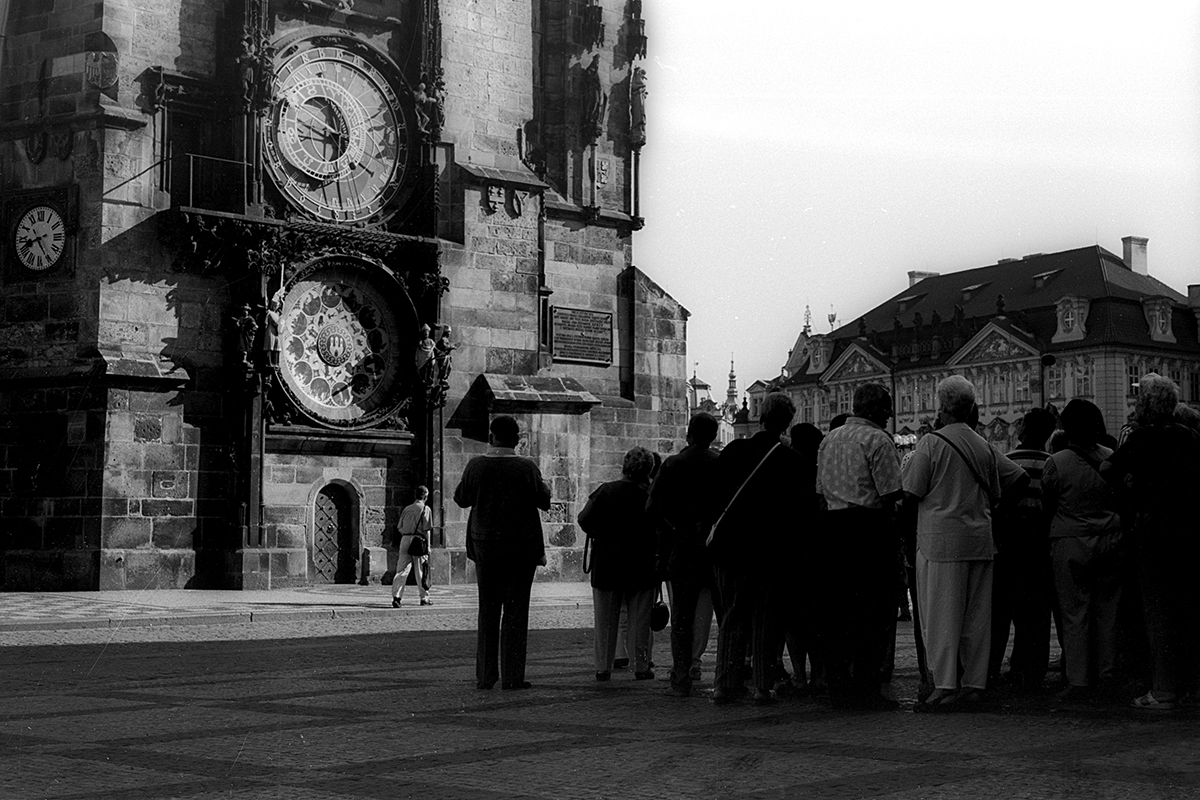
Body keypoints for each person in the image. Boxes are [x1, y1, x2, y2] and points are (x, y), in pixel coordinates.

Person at [903, 375, 1027, 710]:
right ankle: (975, 685)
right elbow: (1019, 478)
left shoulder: (931, 444)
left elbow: (911, 491)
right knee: (976, 619)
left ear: (943, 408)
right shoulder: (982, 443)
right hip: (980, 540)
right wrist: (996, 510)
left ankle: (944, 687)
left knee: (942, 617)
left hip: (940, 543)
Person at [1103, 373, 1200, 710]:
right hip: (1188, 532)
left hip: (1153, 533)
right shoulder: (1189, 435)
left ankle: (1164, 689)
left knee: (1158, 612)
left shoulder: (1142, 439)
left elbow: (1107, 469)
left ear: (1145, 404)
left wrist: (1132, 483)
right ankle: (1193, 685)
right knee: (1189, 609)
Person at [708, 392, 806, 705]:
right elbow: (799, 513)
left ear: (761, 418)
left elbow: (714, 498)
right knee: (767, 620)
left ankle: (725, 683)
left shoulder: (734, 450)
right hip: (770, 552)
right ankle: (762, 687)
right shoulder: (793, 462)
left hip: (731, 549)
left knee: (732, 617)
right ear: (787, 423)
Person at [815, 383, 904, 710]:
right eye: (888, 408)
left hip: (833, 529)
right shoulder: (878, 440)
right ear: (878, 410)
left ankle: (838, 687)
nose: (891, 414)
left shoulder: (830, 438)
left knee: (837, 613)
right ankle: (866, 689)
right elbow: (892, 491)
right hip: (869, 529)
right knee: (873, 613)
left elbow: (820, 490)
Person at [454, 415, 552, 691]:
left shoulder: (476, 465)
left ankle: (485, 676)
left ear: (491, 436)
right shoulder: (526, 468)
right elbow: (543, 501)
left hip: (485, 544)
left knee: (488, 609)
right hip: (521, 546)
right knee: (516, 610)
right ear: (517, 439)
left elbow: (461, 498)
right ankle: (512, 676)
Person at [1041, 399, 1123, 704]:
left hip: (1070, 541)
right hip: (1110, 539)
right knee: (1108, 611)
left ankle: (1078, 679)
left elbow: (1048, 504)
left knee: (1075, 613)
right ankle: (1108, 673)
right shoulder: (1111, 457)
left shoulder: (1057, 462)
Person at [647, 412, 721, 697]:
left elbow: (651, 509)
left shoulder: (672, 464)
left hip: (683, 546)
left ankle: (680, 675)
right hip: (714, 548)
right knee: (721, 613)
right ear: (714, 436)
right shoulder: (720, 463)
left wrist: (675, 525)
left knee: (681, 616)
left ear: (688, 433)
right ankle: (723, 676)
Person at [579, 447, 659, 682]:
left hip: (607, 562)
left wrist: (600, 533)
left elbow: (584, 519)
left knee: (605, 619)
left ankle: (603, 667)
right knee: (640, 620)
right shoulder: (649, 496)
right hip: (641, 563)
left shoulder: (606, 491)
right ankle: (641, 666)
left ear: (624, 466)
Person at [989, 407, 1056, 690]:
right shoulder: (1053, 463)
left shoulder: (1006, 461)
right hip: (1039, 545)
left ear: (1023, 430)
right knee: (1036, 615)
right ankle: (1031, 670)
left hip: (1008, 543)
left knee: (1001, 612)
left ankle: (991, 668)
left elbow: (996, 501)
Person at [391, 485, 433, 608]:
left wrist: (407, 535)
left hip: (405, 539)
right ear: (425, 496)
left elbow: (399, 527)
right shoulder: (426, 509)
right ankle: (424, 598)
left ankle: (397, 597)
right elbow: (427, 530)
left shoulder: (407, 509)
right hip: (418, 540)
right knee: (420, 570)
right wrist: (428, 546)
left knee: (401, 570)